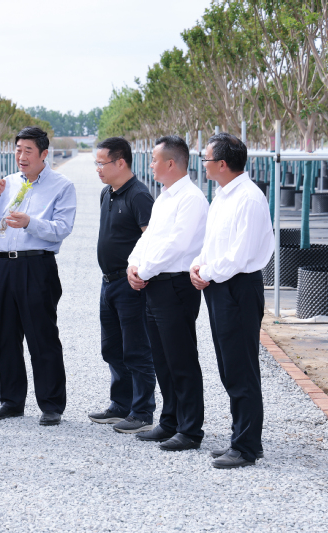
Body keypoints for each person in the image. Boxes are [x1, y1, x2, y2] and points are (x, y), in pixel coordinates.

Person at [0, 127, 76, 426]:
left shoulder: (62, 186)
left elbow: (62, 228)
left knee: (42, 335)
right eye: (18, 149)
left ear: (44, 154)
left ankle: (51, 405)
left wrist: (30, 222)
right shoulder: (5, 183)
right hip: (3, 266)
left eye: (28, 150)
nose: (21, 156)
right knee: (6, 334)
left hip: (37, 266)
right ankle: (10, 401)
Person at [190, 132, 274, 469]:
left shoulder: (249, 198)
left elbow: (240, 255)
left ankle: (246, 447)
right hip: (219, 284)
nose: (203, 164)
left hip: (237, 286)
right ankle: (243, 437)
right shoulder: (223, 195)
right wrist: (199, 265)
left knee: (241, 367)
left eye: (207, 159)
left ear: (222, 164)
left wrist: (207, 272)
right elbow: (213, 242)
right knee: (230, 366)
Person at [126, 135, 208, 451]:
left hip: (176, 285)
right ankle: (170, 421)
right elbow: (149, 238)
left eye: (154, 159)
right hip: (155, 284)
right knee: (162, 358)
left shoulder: (191, 198)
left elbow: (178, 244)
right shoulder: (164, 197)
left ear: (171, 163)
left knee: (181, 359)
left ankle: (190, 430)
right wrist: (134, 265)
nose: (150, 165)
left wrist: (144, 271)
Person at [90, 136, 157, 434]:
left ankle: (142, 412)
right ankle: (121, 404)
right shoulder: (107, 193)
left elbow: (150, 238)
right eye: (95, 163)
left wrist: (140, 271)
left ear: (120, 162)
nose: (98, 169)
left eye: (101, 163)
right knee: (112, 348)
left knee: (137, 350)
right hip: (108, 284)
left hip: (131, 284)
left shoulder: (139, 195)